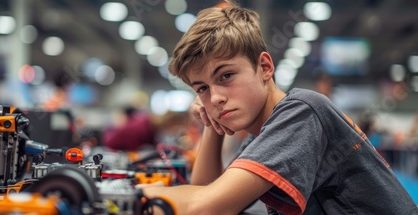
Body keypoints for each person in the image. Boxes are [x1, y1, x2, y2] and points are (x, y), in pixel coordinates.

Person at [141, 1, 417, 215]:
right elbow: (207, 194)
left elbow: (208, 207)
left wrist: (135, 195)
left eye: (225, 76)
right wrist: (212, 126)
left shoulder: (302, 111)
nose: (215, 98)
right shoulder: (258, 136)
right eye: (202, 88)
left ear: (264, 67)